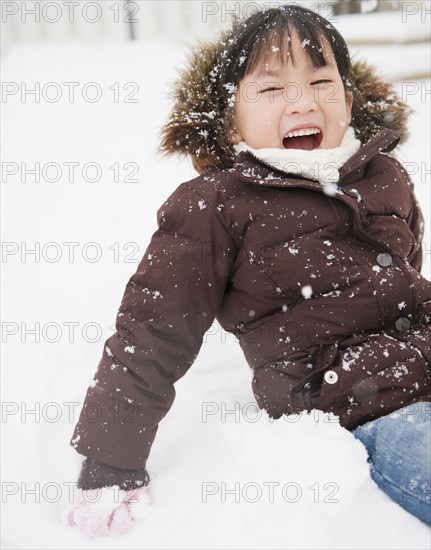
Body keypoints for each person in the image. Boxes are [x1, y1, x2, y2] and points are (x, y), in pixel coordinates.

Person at [67, 4, 431, 537]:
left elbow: (405, 266)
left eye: (321, 82)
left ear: (349, 101)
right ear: (230, 115)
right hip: (351, 401)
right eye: (269, 89)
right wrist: (110, 458)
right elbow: (153, 330)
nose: (303, 101)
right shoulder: (217, 205)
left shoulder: (384, 174)